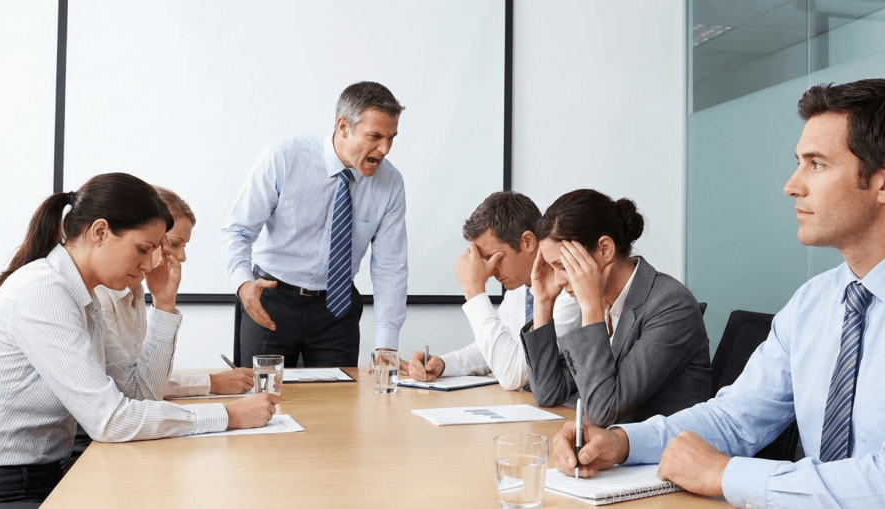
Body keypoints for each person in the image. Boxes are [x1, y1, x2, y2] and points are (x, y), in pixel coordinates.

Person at [553, 79, 885, 508]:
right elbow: (735, 418)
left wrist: (724, 474)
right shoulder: (815, 300)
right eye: (799, 163)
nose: (792, 185)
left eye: (816, 164)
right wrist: (623, 442)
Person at [0, 173, 280, 505]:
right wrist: (227, 415)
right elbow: (110, 420)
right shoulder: (44, 290)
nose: (149, 265)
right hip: (0, 487)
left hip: (46, 476)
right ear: (100, 232)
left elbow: (140, 392)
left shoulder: (81, 296)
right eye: (142, 249)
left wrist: (164, 305)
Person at [220, 81, 408, 369]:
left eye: (391, 138)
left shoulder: (390, 183)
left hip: (337, 309)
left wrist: (387, 344)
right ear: (343, 127)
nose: (385, 149)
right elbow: (238, 231)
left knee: (336, 398)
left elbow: (390, 266)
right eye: (375, 136)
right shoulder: (284, 158)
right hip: (271, 300)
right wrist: (244, 284)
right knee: (261, 394)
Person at [522, 189, 711, 427]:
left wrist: (591, 310)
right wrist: (543, 303)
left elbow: (604, 412)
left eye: (563, 266)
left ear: (604, 249)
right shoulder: (600, 300)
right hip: (615, 445)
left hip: (666, 447)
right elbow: (549, 393)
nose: (558, 281)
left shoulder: (671, 305)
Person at [405, 191, 581, 389]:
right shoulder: (518, 290)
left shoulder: (569, 292)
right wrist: (444, 364)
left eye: (494, 257)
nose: (490, 271)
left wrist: (474, 293)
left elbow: (514, 374)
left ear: (528, 242)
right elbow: (497, 350)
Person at [96, 186, 254, 398]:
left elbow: (143, 381)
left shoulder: (136, 290)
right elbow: (126, 389)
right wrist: (211, 383)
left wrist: (164, 304)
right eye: (173, 244)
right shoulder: (99, 296)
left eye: (184, 246)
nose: (181, 257)